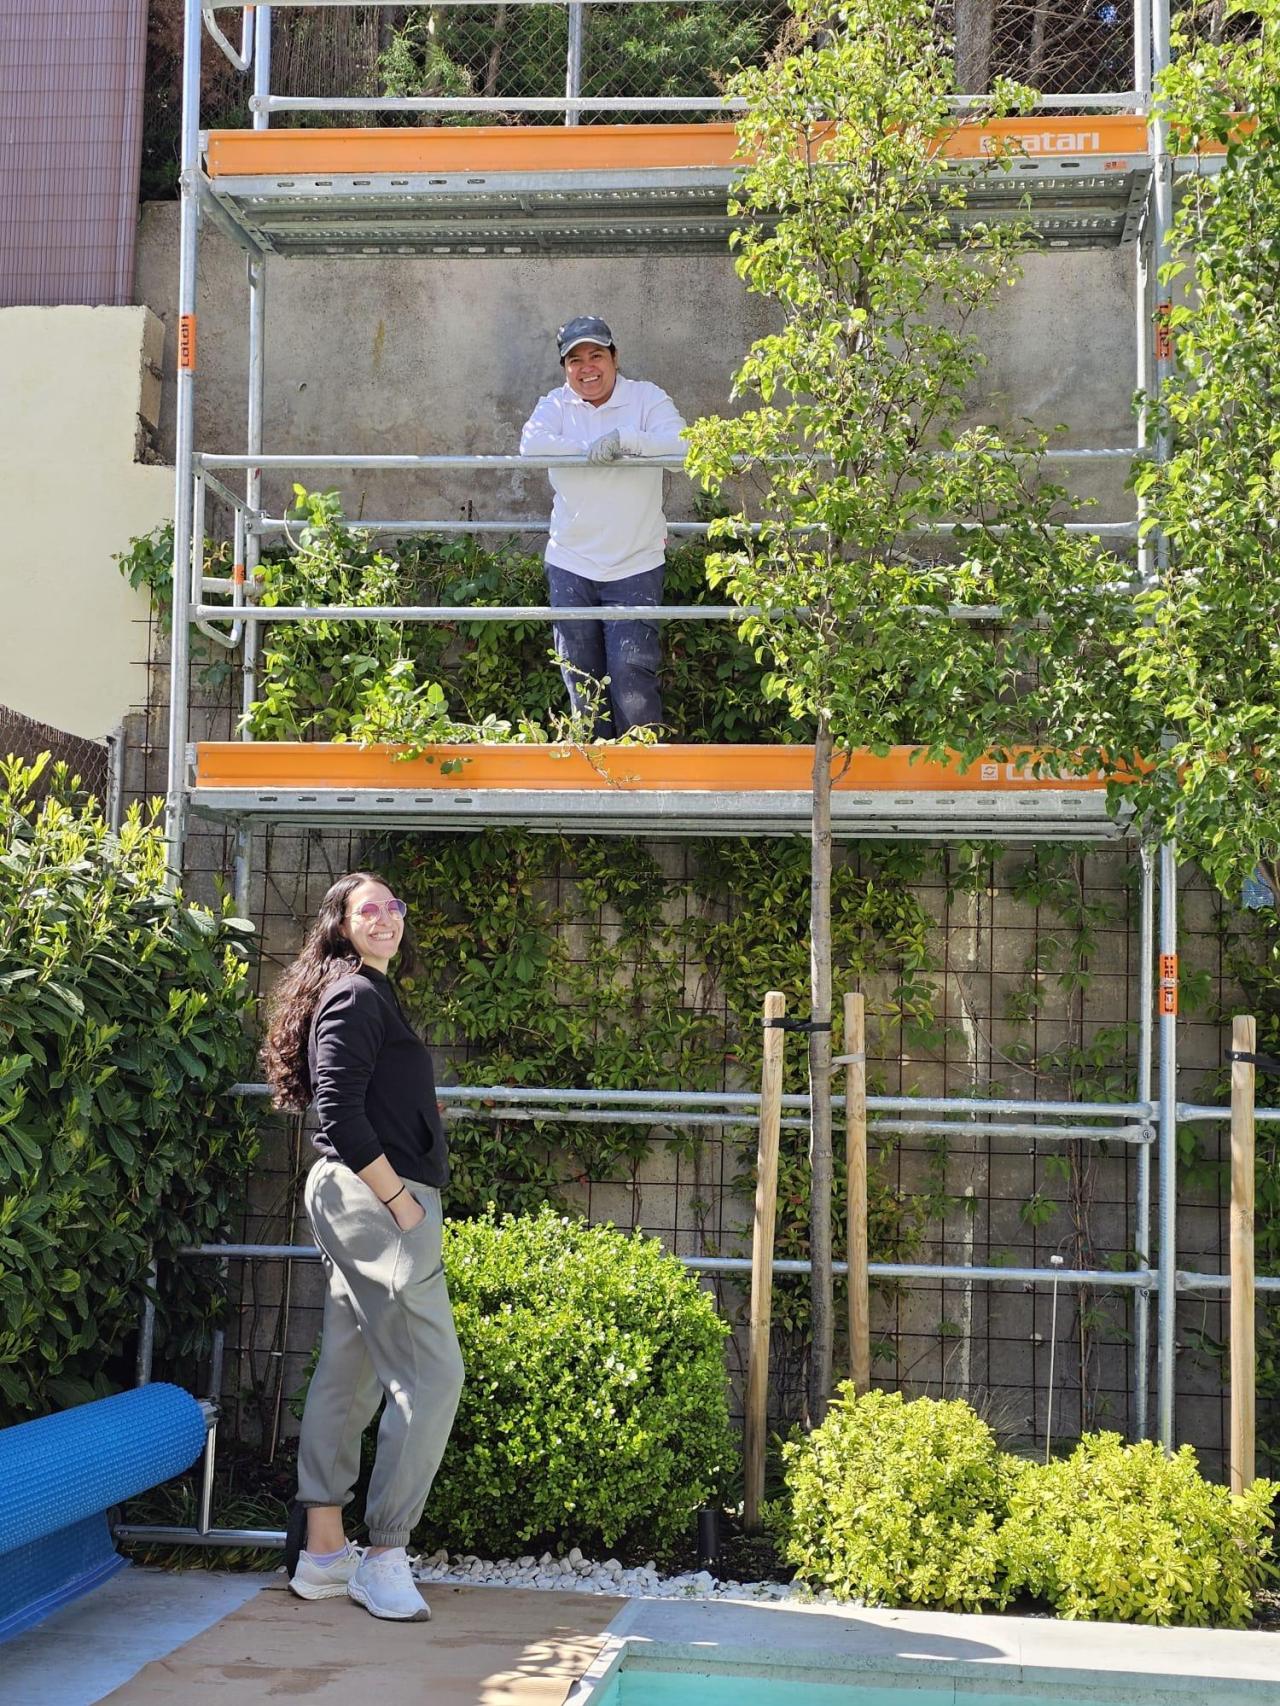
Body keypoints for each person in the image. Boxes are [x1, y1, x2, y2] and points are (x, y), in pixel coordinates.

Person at [262, 871, 463, 1623]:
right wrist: (404, 1202)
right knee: (432, 1371)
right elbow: (339, 1112)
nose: (384, 917)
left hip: (364, 1198)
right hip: (375, 1200)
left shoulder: (365, 992)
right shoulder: (354, 994)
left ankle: (321, 1555)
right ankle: (384, 1554)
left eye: (393, 905)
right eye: (367, 909)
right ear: (341, 925)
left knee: (352, 1367)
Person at [520, 314, 687, 737]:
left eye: (596, 355)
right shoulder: (555, 405)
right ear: (564, 368)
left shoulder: (646, 399)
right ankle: (598, 777)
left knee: (631, 674)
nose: (587, 367)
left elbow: (684, 445)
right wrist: (586, 451)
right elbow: (532, 445)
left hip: (634, 561)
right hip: (571, 563)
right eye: (575, 360)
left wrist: (627, 441)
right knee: (580, 677)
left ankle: (643, 778)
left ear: (614, 357)